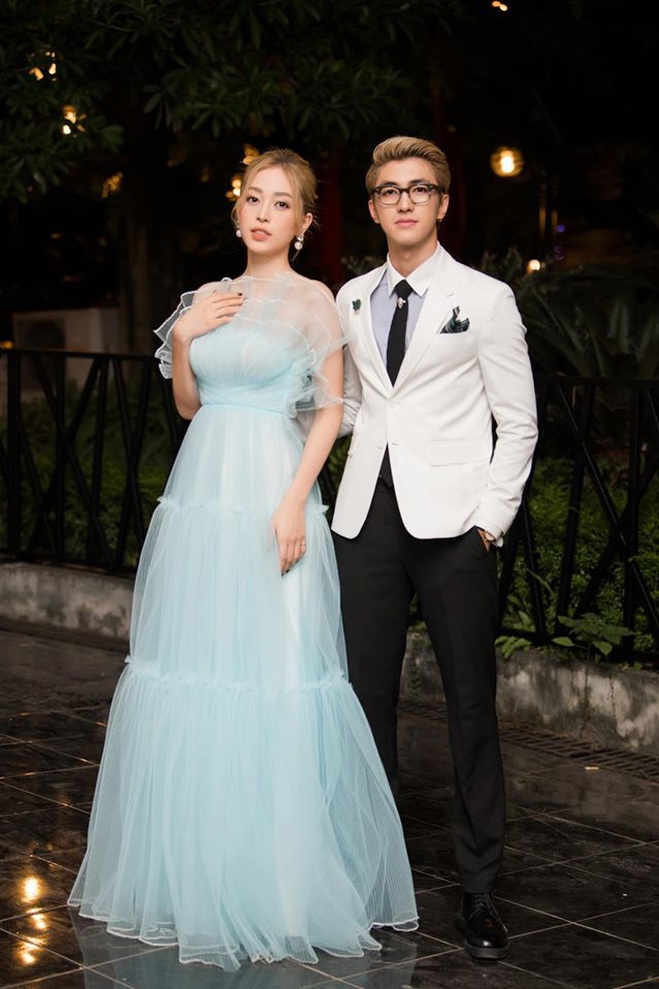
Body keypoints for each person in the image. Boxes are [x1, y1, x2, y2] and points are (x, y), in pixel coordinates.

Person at [67, 148, 418, 971]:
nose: (263, 213)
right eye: (253, 199)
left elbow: (329, 410)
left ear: (304, 221)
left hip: (270, 493)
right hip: (201, 499)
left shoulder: (313, 300)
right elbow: (191, 405)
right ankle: (197, 871)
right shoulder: (206, 297)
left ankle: (283, 885)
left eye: (280, 203)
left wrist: (294, 501)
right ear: (238, 212)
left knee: (274, 674)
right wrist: (188, 335)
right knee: (195, 667)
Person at [332, 136, 539, 961]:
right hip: (366, 523)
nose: (405, 201)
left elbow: (518, 421)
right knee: (363, 702)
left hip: (455, 527)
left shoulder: (484, 298)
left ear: (444, 202)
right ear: (374, 207)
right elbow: (354, 407)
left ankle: (479, 889)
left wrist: (489, 520)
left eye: (420, 188)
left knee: (469, 706)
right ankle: (374, 877)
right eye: (390, 190)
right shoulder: (351, 296)